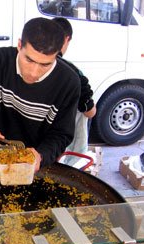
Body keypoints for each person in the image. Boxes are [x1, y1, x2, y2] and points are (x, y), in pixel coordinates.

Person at [0, 17, 80, 172]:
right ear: (19, 45)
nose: (34, 73)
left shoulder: (68, 82)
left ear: (57, 55)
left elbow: (61, 134)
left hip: (36, 161)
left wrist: (41, 156)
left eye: (45, 64)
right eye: (29, 60)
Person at [52, 17, 96, 166]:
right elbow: (90, 112)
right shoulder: (74, 74)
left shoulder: (25, 65)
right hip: (57, 146)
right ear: (66, 39)